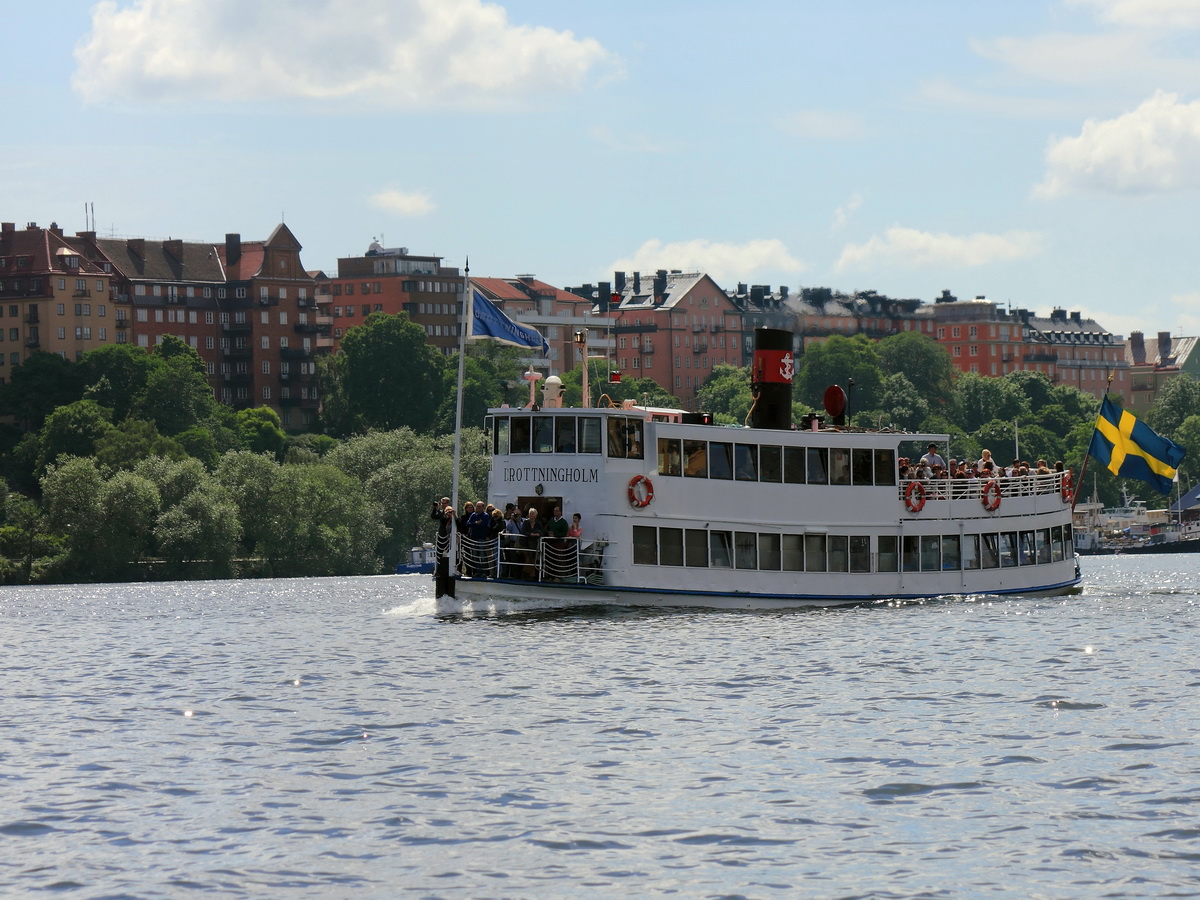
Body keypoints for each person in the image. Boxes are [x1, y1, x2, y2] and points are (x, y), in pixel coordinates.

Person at [433, 505, 456, 598]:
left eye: (451, 512)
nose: (449, 513)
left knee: (451, 555)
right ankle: (439, 570)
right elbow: (442, 521)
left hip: (452, 542)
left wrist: (454, 516)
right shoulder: (445, 519)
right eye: (448, 512)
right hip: (444, 540)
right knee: (440, 555)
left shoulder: (454, 519)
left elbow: (458, 524)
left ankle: (454, 569)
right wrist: (441, 512)